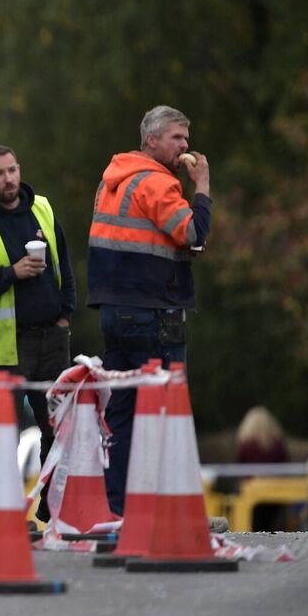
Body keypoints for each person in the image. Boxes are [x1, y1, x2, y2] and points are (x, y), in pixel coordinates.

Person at [87, 105, 211, 514]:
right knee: (164, 409)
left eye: (186, 140)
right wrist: (203, 187)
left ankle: (119, 508)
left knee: (121, 413)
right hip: (153, 312)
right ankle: (167, 511)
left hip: (113, 311)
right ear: (152, 140)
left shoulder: (111, 181)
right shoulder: (159, 184)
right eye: (177, 138)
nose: (185, 147)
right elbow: (193, 233)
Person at [0, 144, 76, 522]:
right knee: (1, 431)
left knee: (58, 424)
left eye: (12, 170)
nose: (8, 179)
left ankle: (52, 508)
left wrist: (66, 311)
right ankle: (3, 513)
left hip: (51, 336)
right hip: (7, 344)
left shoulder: (42, 207)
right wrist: (11, 272)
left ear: (19, 170)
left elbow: (63, 262)